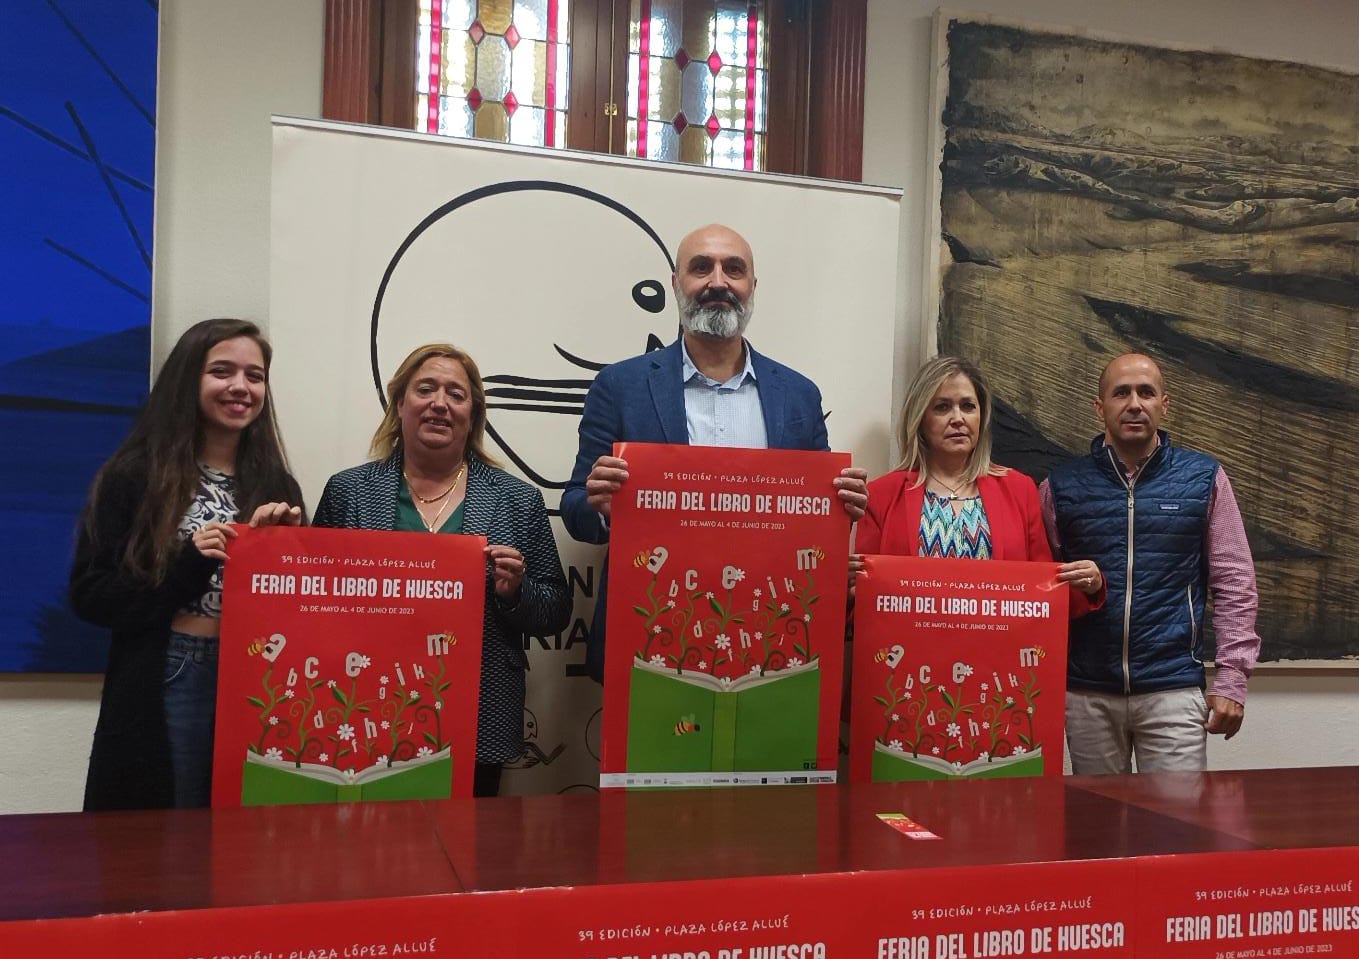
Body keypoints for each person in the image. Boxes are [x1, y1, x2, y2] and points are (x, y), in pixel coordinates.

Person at [561, 223, 868, 681]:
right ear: (675, 283)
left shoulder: (798, 395)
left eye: (734, 269)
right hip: (652, 634)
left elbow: (812, 522)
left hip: (770, 634)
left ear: (752, 286)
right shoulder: (620, 387)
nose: (718, 283)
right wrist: (600, 505)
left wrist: (841, 508)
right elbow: (573, 509)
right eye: (701, 268)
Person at [313, 343, 571, 796]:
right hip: (369, 708)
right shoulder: (348, 492)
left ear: (473, 415)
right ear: (399, 403)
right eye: (425, 389)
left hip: (478, 709)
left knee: (465, 853)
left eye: (456, 394)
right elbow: (313, 604)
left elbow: (555, 611)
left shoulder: (517, 499)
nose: (439, 403)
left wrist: (515, 590)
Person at [71, 318, 304, 810]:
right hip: (172, 670)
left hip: (257, 676)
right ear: (187, 379)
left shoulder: (276, 484)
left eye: (255, 375)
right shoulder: (135, 475)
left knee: (242, 836)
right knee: (172, 838)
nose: (241, 387)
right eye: (222, 371)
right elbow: (91, 595)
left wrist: (281, 551)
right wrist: (188, 563)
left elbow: (295, 608)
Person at [1040, 352, 1260, 774]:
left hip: (1172, 689)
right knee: (1099, 832)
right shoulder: (1060, 486)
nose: (1135, 403)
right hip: (1087, 694)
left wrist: (1233, 679)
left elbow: (1235, 582)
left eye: (1146, 392)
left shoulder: (1204, 478)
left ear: (1165, 404)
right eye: (1121, 393)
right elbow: (1037, 586)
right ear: (1099, 407)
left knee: (1176, 832)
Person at [856, 356, 1104, 618]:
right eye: (942, 407)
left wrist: (1088, 586)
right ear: (920, 420)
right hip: (910, 653)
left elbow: (1041, 591)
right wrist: (853, 590)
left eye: (968, 406)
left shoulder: (1019, 489)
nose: (958, 418)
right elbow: (860, 600)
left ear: (981, 417)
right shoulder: (882, 495)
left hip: (996, 653)